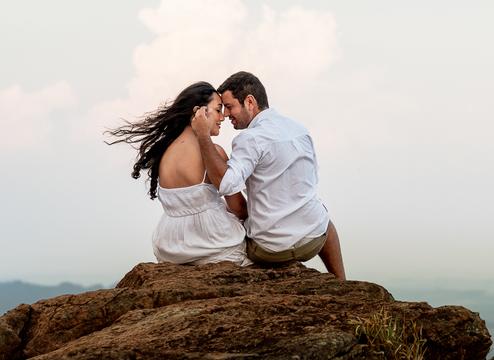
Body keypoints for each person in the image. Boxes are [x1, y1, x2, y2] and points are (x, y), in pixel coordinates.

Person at [190, 71, 346, 279]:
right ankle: (341, 280)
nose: (226, 114)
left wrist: (202, 136)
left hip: (269, 250)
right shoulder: (299, 130)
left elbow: (227, 184)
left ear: (250, 102)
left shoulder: (250, 138)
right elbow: (310, 182)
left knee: (226, 221)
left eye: (229, 106)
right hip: (313, 240)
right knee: (323, 217)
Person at [106, 81, 250, 267]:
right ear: (199, 112)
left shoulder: (163, 151)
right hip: (211, 242)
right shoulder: (214, 153)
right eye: (218, 110)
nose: (222, 117)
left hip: (170, 245)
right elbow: (239, 208)